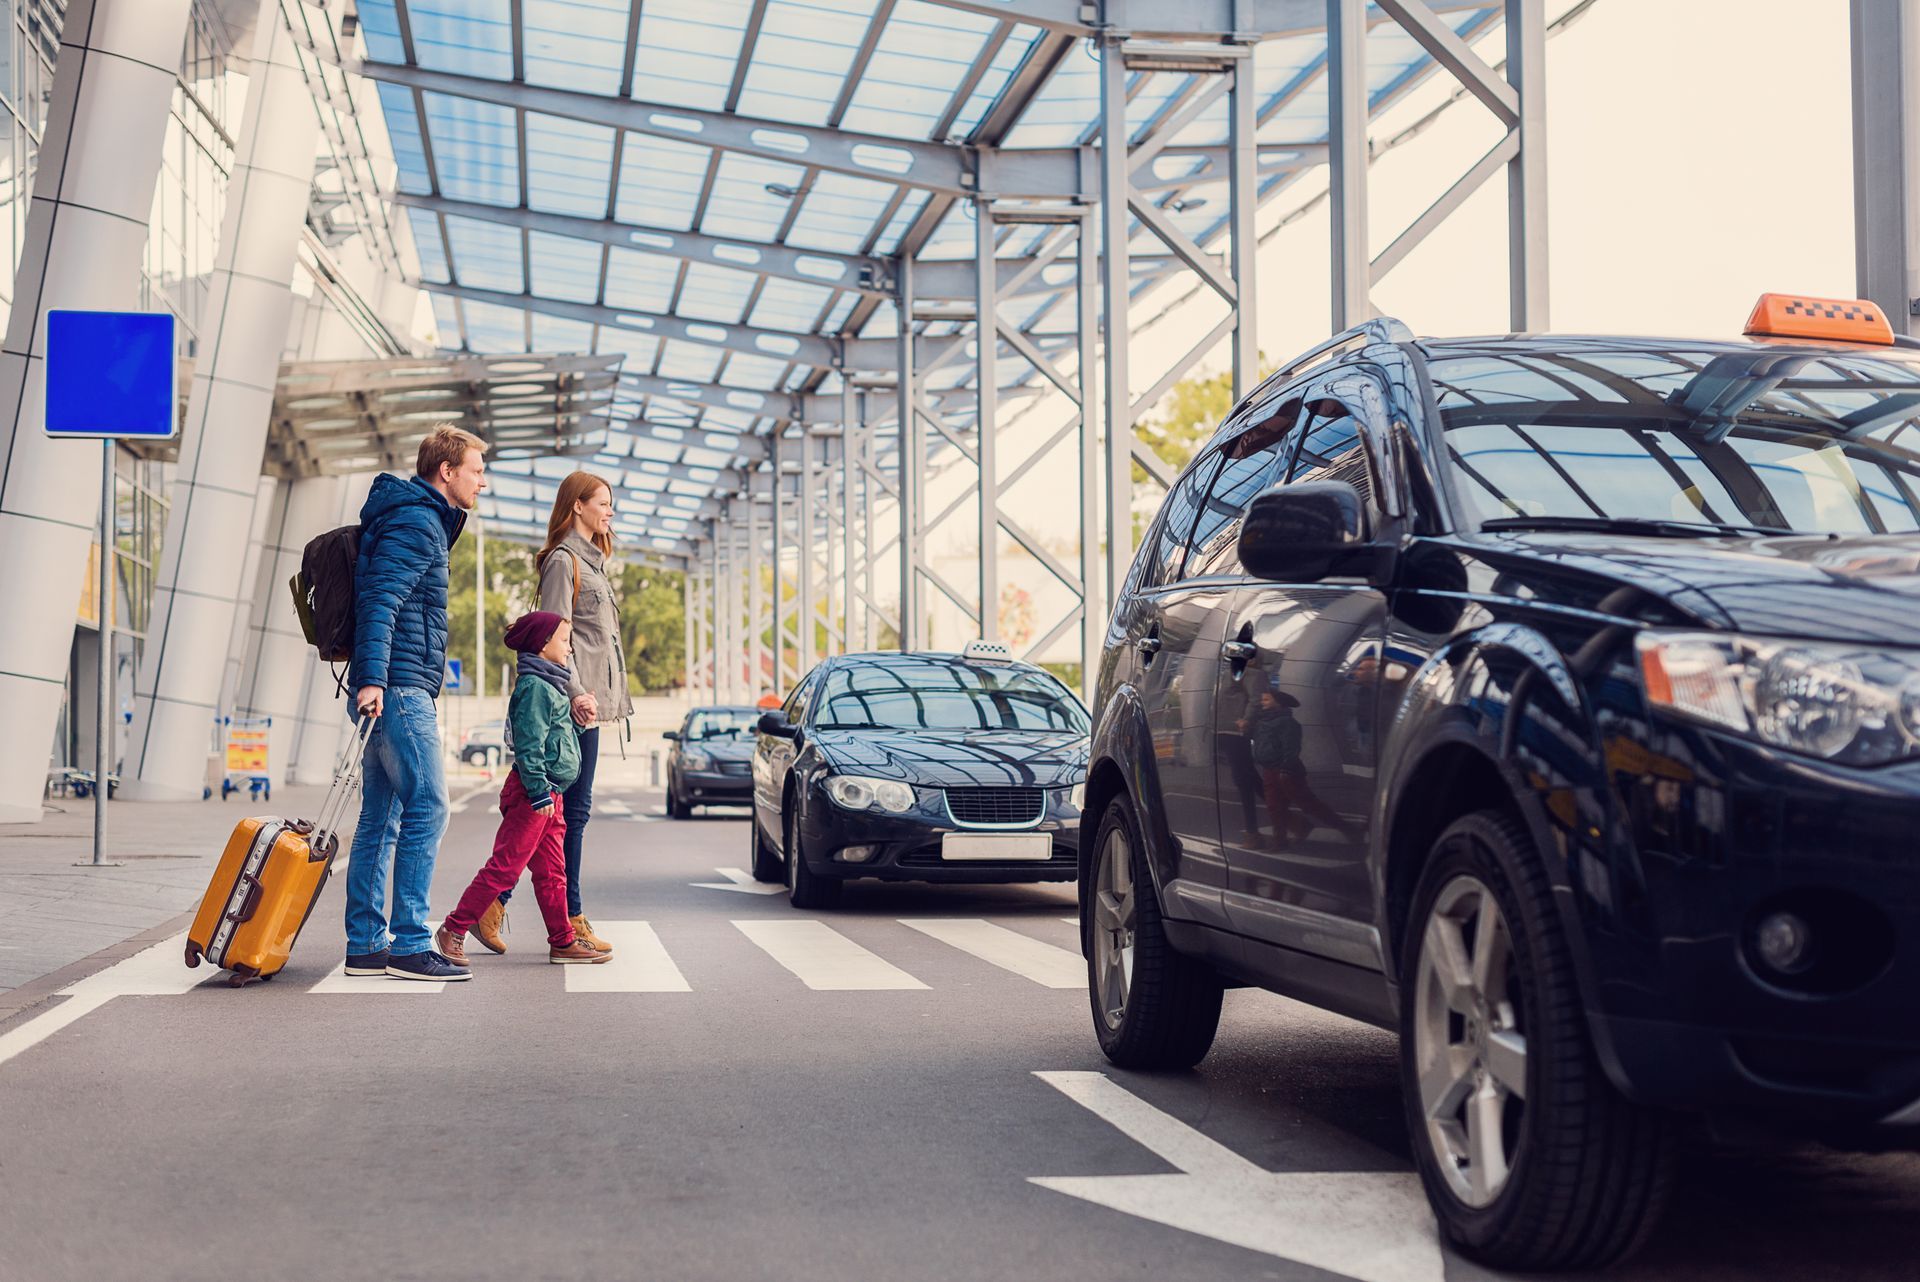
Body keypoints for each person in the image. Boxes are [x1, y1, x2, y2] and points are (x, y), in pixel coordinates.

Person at [344, 424, 486, 982]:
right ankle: (408, 943)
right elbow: (382, 600)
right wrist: (374, 678)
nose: (481, 481)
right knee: (429, 806)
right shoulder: (418, 521)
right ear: (446, 471)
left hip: (392, 683)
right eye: (475, 470)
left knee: (382, 816)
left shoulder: (410, 517)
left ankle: (364, 944)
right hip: (399, 687)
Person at [473, 470, 632, 955]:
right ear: (577, 506)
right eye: (602, 503)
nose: (609, 511)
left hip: (587, 705)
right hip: (570, 705)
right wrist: (579, 692)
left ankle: (513, 908)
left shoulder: (595, 562)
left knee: (563, 817)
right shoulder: (565, 562)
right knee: (559, 815)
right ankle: (563, 918)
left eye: (610, 504)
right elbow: (555, 638)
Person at [436, 612, 611, 967]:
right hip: (535, 795)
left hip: (551, 795)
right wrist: (539, 793)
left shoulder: (552, 684)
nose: (570, 648)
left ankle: (562, 941)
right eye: (564, 641)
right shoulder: (534, 687)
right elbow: (529, 747)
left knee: (552, 873)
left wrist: (580, 725)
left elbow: (555, 742)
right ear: (543, 644)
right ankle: (453, 929)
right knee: (504, 868)